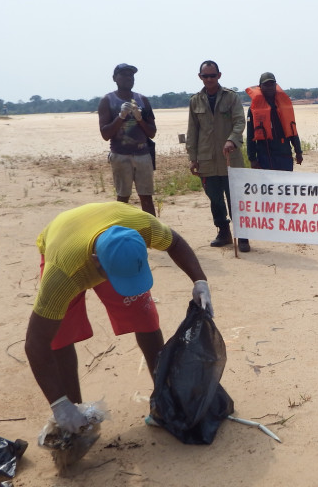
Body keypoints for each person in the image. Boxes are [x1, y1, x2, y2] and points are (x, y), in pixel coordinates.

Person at [24, 201, 214, 433]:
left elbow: (175, 242)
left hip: (109, 234)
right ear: (96, 262)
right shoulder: (63, 274)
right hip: (64, 241)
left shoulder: (143, 227)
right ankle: (76, 414)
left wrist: (199, 281)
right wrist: (59, 404)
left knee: (145, 319)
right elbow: (36, 343)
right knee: (60, 337)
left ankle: (164, 397)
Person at [186, 60, 245, 249]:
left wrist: (232, 140)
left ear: (219, 75)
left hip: (230, 159)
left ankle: (242, 236)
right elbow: (192, 131)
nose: (209, 79)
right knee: (215, 200)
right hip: (207, 160)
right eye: (205, 76)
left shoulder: (231, 97)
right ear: (200, 77)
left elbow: (239, 121)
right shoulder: (195, 100)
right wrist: (192, 158)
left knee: (235, 198)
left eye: (213, 75)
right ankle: (223, 232)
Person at [243, 71, 304, 253]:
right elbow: (250, 134)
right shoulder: (254, 107)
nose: (269, 87)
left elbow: (293, 129)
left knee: (286, 187)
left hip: (284, 151)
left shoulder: (283, 104)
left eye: (272, 84)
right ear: (260, 86)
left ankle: (288, 219)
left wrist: (298, 150)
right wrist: (252, 158)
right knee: (267, 189)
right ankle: (269, 221)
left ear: (275, 85)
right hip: (264, 152)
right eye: (266, 84)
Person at [97, 64, 158, 216]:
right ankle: (121, 232)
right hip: (120, 155)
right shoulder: (107, 101)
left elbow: (152, 132)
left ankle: (151, 232)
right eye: (123, 75)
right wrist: (120, 117)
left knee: (146, 197)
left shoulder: (142, 100)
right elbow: (105, 134)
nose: (128, 78)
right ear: (114, 78)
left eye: (131, 75)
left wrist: (140, 119)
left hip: (143, 154)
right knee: (123, 198)